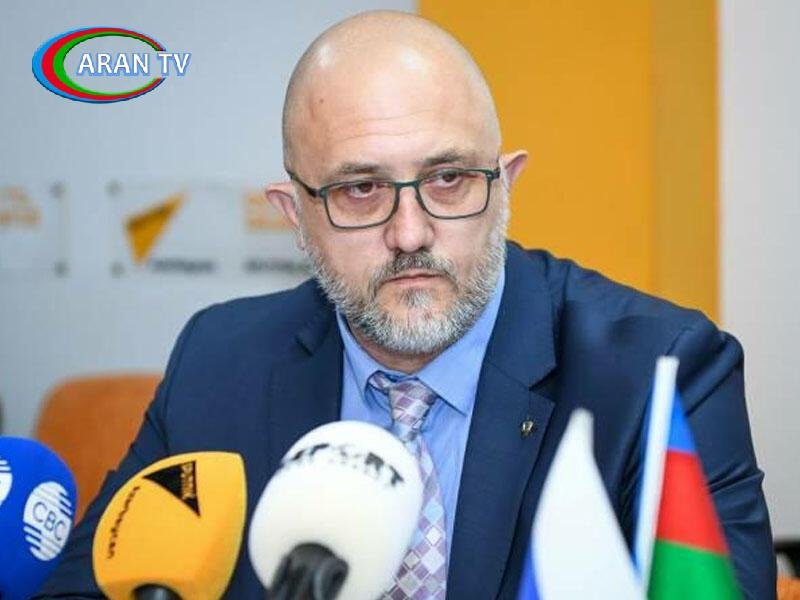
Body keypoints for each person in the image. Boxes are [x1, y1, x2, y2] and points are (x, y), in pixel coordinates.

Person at [38, 10, 774, 599]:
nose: (411, 233)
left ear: (505, 187)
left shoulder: (658, 375)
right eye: (361, 189)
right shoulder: (220, 362)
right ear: (294, 214)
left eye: (449, 179)